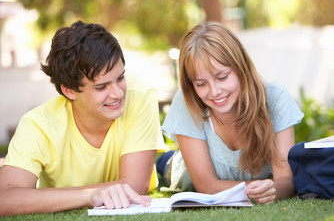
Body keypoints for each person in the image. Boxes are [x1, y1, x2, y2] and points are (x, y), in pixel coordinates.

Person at [0, 21, 165, 215]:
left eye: (120, 78)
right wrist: (90, 195)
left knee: (173, 169)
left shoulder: (139, 97)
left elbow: (134, 186)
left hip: (164, 170)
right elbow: (5, 198)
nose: (118, 94)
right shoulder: (38, 125)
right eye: (101, 87)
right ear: (69, 90)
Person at [159, 22, 304, 204]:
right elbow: (206, 186)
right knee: (165, 165)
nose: (214, 91)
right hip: (178, 169)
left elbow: (286, 179)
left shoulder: (276, 99)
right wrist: (259, 188)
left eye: (222, 77)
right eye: (201, 83)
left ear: (240, 68)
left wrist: (273, 189)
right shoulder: (187, 101)